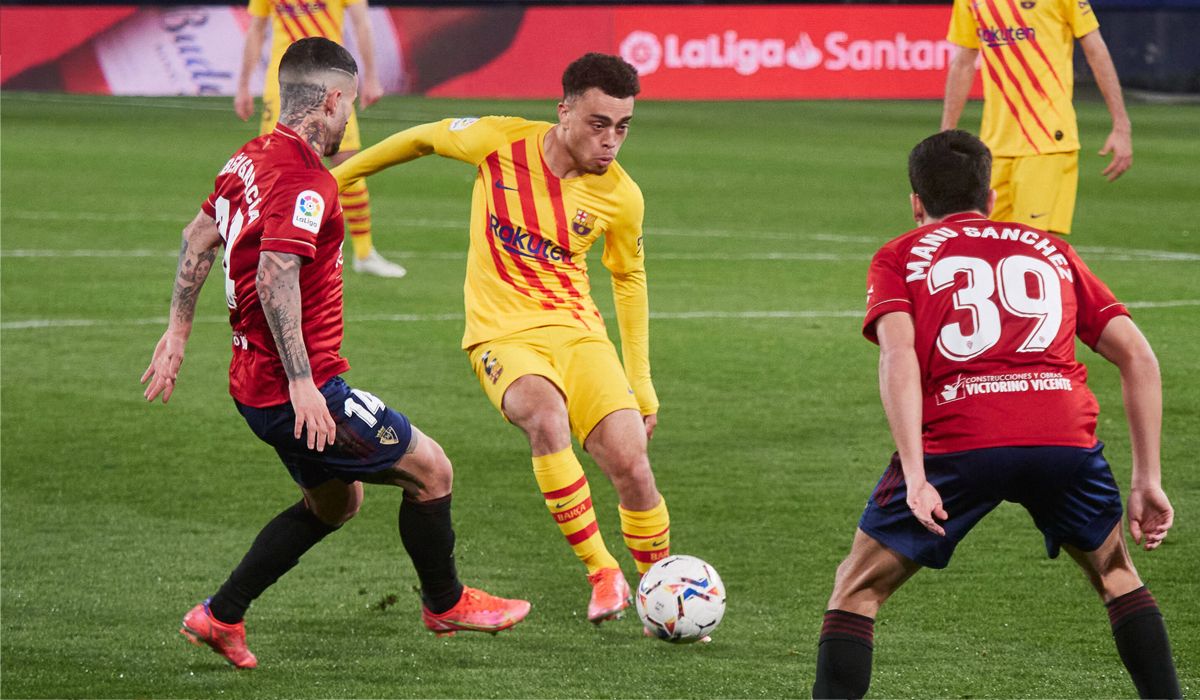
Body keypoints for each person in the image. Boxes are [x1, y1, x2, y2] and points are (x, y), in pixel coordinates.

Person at [142, 37, 529, 669]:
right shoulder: (306, 179)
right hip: (299, 389)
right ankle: (446, 602)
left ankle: (220, 615)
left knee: (335, 502)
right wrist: (304, 385)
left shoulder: (252, 156)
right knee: (432, 471)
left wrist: (178, 333)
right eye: (346, 105)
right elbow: (274, 275)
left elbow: (197, 235)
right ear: (330, 100)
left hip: (251, 384)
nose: (347, 118)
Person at [811, 130, 1179, 699]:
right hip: (1060, 437)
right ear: (991, 194)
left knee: (856, 590)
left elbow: (899, 356)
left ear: (916, 203)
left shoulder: (899, 255)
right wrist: (1147, 479)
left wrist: (915, 478)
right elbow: (1139, 357)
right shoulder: (1051, 248)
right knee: (1115, 574)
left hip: (963, 441)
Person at [330, 53, 668, 627]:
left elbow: (629, 280)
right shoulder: (496, 141)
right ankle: (602, 571)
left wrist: (642, 385)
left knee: (632, 465)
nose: (611, 141)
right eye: (598, 123)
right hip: (501, 333)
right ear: (563, 112)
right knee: (544, 417)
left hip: (579, 333)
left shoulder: (621, 196)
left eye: (622, 126)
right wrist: (335, 177)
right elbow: (421, 138)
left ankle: (663, 593)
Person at [235, 0, 407, 277]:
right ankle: (264, 246)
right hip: (285, 81)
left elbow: (362, 22)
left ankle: (364, 252)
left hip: (330, 78)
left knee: (348, 159)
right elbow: (256, 30)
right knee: (276, 166)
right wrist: (243, 86)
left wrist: (371, 77)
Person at [940, 0, 1132, 235]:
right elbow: (963, 63)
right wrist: (946, 135)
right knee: (983, 244)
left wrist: (1121, 125)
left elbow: (1096, 50)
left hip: (1047, 141)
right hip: (994, 147)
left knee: (1032, 249)